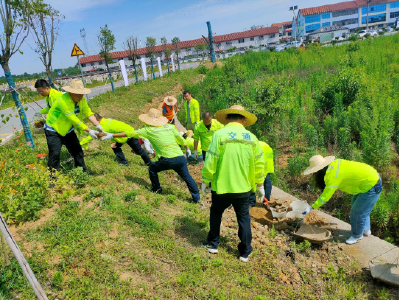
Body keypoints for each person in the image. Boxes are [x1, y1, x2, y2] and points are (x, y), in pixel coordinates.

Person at [201, 105, 265, 262]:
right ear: (243, 120)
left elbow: (211, 161)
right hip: (243, 187)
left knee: (216, 212)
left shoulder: (219, 135)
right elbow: (259, 164)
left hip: (222, 186)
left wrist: (206, 180)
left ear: (227, 119)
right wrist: (260, 185)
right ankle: (245, 252)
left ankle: (213, 244)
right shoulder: (252, 138)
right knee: (243, 217)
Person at [101, 108, 200, 203]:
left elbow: (130, 133)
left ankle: (156, 189)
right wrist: (187, 149)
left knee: (152, 168)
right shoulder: (170, 127)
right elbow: (182, 140)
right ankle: (196, 197)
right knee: (187, 177)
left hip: (167, 159)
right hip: (180, 158)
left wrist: (112, 135)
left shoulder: (148, 130)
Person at [302, 155, 382, 245]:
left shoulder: (332, 176)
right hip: (369, 179)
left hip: (371, 185)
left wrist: (311, 207)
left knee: (356, 213)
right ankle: (366, 229)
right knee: (361, 208)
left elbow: (324, 197)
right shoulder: (335, 164)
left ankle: (357, 235)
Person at [45, 79, 102, 175]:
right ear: (70, 92)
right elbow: (73, 119)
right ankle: (53, 179)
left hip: (67, 129)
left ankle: (82, 172)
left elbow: (88, 112)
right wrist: (89, 131)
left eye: (82, 94)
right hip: (54, 129)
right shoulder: (63, 101)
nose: (80, 96)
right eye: (78, 94)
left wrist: (98, 125)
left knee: (77, 151)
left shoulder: (81, 99)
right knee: (54, 154)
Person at [249, 141, 274, 207]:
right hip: (267, 166)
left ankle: (251, 203)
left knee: (252, 182)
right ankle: (267, 201)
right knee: (267, 182)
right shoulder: (266, 145)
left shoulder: (252, 145)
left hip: (258, 166)